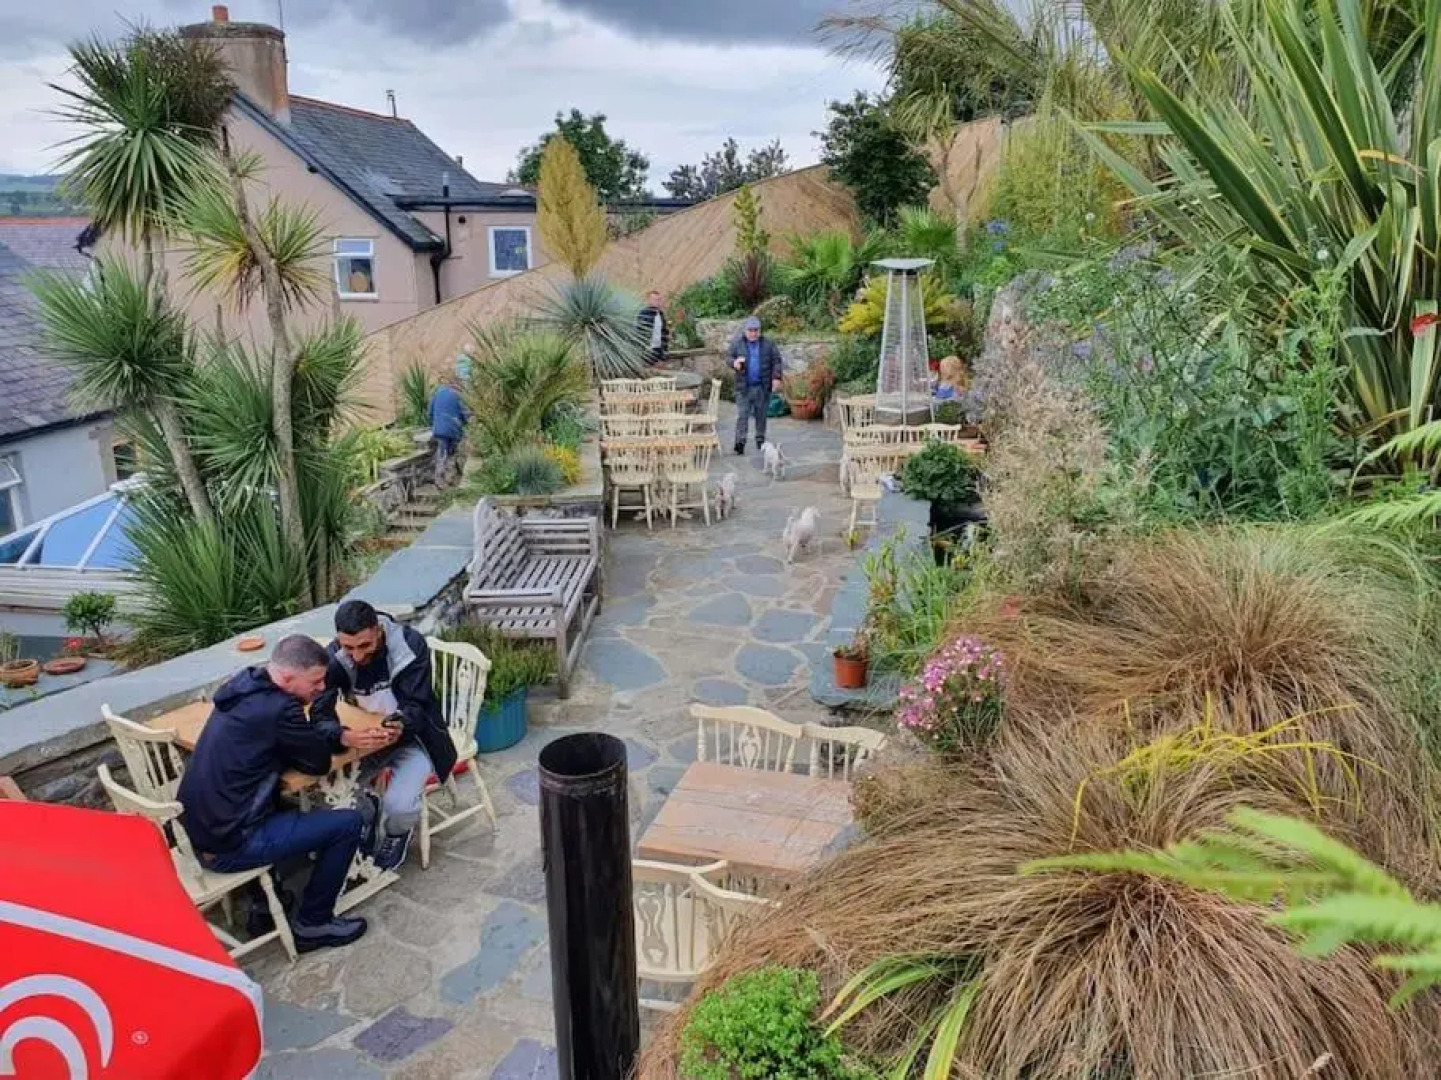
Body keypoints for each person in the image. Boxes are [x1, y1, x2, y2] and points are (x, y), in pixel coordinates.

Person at [177, 635, 395, 953]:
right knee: (348, 822)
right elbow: (318, 762)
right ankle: (313, 922)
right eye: (316, 681)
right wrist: (329, 736)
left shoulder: (244, 687)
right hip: (229, 843)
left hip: (197, 831)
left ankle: (265, 905)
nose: (321, 689)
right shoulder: (280, 710)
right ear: (288, 677)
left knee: (281, 801)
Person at [325, 600, 456, 873]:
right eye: (349, 647)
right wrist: (343, 734)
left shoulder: (410, 645)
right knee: (336, 791)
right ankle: (368, 813)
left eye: (365, 646)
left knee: (400, 805)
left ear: (378, 630)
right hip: (367, 741)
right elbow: (320, 705)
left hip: (415, 739)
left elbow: (417, 706)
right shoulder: (336, 655)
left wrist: (399, 726)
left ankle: (397, 835)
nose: (357, 656)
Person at [728, 315, 784, 455]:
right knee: (742, 415)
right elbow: (728, 357)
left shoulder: (768, 344)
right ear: (745, 331)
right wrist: (733, 363)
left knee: (761, 415)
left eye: (756, 330)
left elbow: (776, 360)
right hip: (743, 387)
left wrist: (776, 377)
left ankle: (760, 439)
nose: (753, 333)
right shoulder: (737, 343)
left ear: (759, 331)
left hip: (762, 386)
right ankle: (740, 442)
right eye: (750, 330)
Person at [428, 376, 469, 487]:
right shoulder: (459, 396)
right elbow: (465, 414)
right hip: (454, 430)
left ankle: (439, 479)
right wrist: (466, 423)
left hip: (439, 430)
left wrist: (434, 424)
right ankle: (450, 478)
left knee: (441, 453)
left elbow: (430, 413)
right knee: (452, 454)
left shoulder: (437, 394)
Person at [636, 290, 670, 365]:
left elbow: (664, 333)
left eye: (659, 300)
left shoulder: (660, 314)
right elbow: (640, 331)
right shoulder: (644, 314)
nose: (658, 302)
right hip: (649, 349)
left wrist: (664, 351)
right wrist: (644, 348)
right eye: (655, 300)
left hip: (659, 349)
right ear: (649, 301)